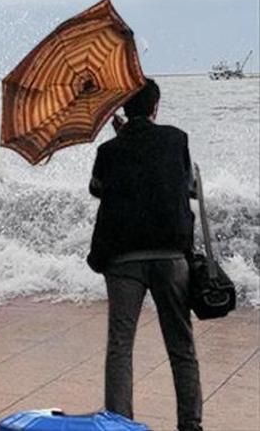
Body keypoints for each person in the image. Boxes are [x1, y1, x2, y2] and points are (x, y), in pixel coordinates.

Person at [87, 79, 202, 431]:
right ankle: (190, 425)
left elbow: (98, 189)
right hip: (170, 256)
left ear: (123, 109)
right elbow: (186, 186)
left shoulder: (109, 151)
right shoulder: (176, 139)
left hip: (123, 258)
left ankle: (120, 423)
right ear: (155, 107)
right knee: (181, 345)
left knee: (120, 345)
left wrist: (122, 140)